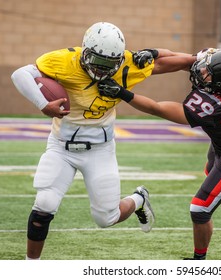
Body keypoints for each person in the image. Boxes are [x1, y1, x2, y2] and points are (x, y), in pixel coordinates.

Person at [11, 21, 196, 260]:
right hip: (60, 146)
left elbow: (167, 63)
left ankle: (139, 198)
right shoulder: (64, 60)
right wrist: (43, 105)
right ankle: (29, 266)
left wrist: (200, 59)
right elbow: (21, 74)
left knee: (105, 219)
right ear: (85, 52)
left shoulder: (127, 64)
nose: (102, 70)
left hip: (100, 149)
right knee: (44, 204)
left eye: (109, 65)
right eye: (98, 62)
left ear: (118, 60)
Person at [97, 48, 221, 260]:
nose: (202, 71)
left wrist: (122, 93)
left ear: (218, 84)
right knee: (211, 169)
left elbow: (157, 108)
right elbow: (189, 60)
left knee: (200, 210)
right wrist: (154, 53)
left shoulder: (211, 106)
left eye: (207, 73)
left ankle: (199, 261)